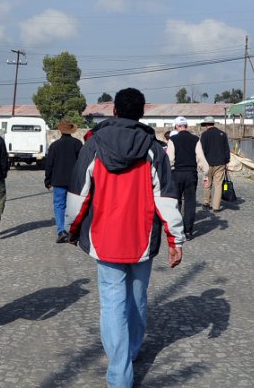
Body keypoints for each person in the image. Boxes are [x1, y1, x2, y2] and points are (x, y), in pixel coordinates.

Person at [67, 88, 185, 388]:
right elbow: (166, 199)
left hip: (104, 239)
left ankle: (119, 374)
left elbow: (78, 194)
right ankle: (132, 351)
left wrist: (72, 228)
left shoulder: (93, 146)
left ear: (115, 111)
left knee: (112, 304)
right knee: (137, 299)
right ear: (141, 113)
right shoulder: (154, 150)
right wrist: (175, 239)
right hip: (142, 239)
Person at [43, 117, 82, 243]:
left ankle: (61, 231)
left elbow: (49, 165)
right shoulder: (77, 144)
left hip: (58, 181)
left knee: (59, 205)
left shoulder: (54, 146)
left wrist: (47, 180)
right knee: (73, 207)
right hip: (74, 182)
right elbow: (82, 163)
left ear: (60, 130)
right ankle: (72, 230)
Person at [166, 116, 200, 240]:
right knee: (190, 202)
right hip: (191, 173)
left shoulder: (172, 139)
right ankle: (188, 231)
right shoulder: (195, 139)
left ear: (176, 127)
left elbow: (169, 159)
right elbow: (200, 157)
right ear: (187, 126)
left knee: (176, 201)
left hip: (177, 174)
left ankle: (176, 229)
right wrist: (206, 174)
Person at [197, 116, 231, 212]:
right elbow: (226, 149)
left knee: (207, 184)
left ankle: (206, 203)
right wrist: (227, 161)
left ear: (206, 125)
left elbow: (202, 150)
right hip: (220, 163)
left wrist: (200, 163)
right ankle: (216, 207)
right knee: (218, 185)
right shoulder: (222, 134)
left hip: (207, 164)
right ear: (213, 123)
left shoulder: (204, 135)